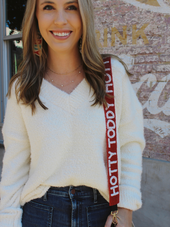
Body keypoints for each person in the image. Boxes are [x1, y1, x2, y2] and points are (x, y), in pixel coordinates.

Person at [0, 0, 145, 226]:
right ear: (35, 17)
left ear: (83, 15)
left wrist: (126, 209)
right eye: (48, 7)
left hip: (101, 213)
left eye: (71, 7)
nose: (60, 19)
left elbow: (129, 144)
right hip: (39, 213)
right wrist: (8, 221)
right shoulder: (23, 87)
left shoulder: (111, 76)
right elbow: (14, 167)